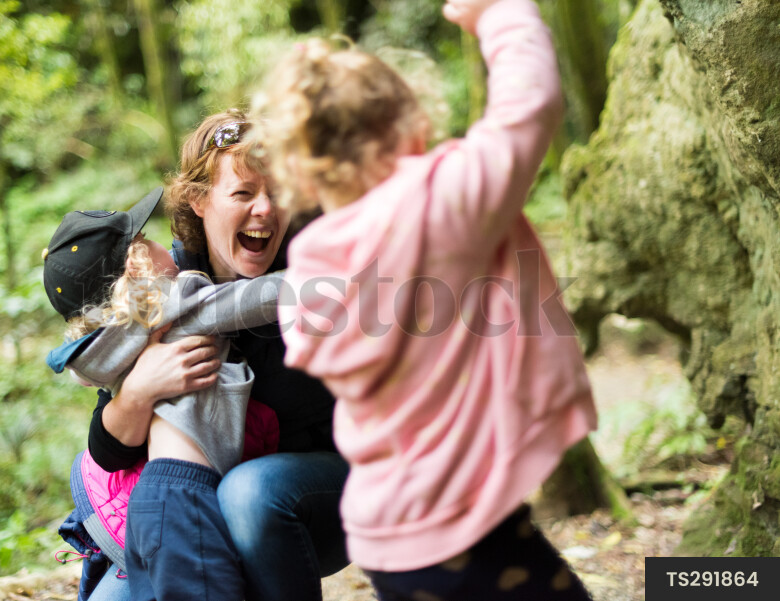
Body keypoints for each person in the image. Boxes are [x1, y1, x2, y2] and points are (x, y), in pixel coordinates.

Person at [252, 0, 597, 599]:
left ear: (305, 173)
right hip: (464, 526)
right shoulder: (442, 204)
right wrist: (499, 14)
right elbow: (529, 105)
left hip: (390, 535)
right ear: (411, 124)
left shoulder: (309, 268)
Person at [83, 111, 349, 601]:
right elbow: (107, 449)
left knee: (248, 492)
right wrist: (140, 390)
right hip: (193, 507)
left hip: (318, 495)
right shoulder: (169, 282)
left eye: (278, 192)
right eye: (244, 193)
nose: (265, 209)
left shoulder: (315, 272)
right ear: (200, 201)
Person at [42, 186, 290, 600]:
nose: (166, 247)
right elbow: (257, 298)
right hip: (183, 494)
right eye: (146, 241)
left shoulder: (111, 345)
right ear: (137, 267)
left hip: (152, 502)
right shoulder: (170, 306)